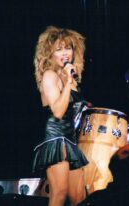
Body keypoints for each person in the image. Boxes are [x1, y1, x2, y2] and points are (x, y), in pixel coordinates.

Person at [32, 26, 89, 206]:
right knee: (59, 194)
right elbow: (58, 111)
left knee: (79, 197)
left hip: (70, 139)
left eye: (68, 48)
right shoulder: (49, 75)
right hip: (55, 138)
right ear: (49, 54)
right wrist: (68, 83)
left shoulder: (68, 78)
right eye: (59, 49)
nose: (65, 53)